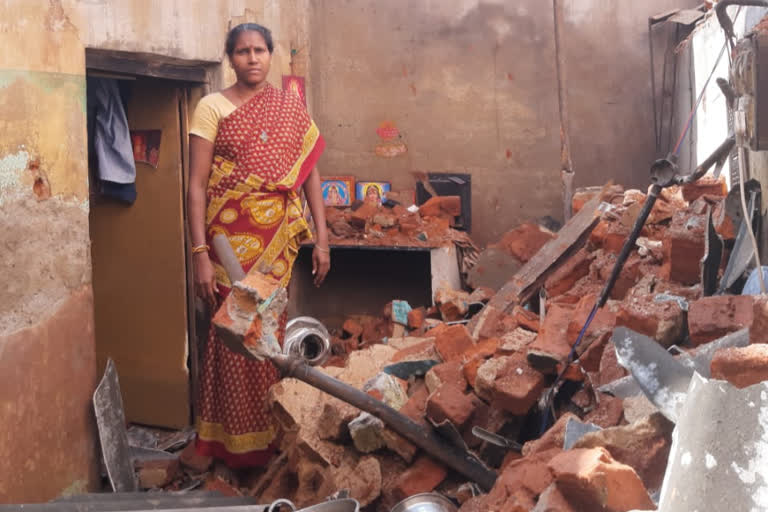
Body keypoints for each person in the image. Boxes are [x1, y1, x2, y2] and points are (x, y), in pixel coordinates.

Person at [186, 22, 330, 469]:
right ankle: (226, 443)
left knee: (269, 330)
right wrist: (199, 256)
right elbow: (195, 186)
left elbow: (308, 174)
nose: (253, 58)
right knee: (233, 332)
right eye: (243, 51)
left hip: (277, 241)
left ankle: (268, 439)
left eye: (260, 50)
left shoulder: (291, 108)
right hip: (228, 240)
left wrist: (322, 238)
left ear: (272, 56)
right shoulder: (211, 106)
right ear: (230, 58)